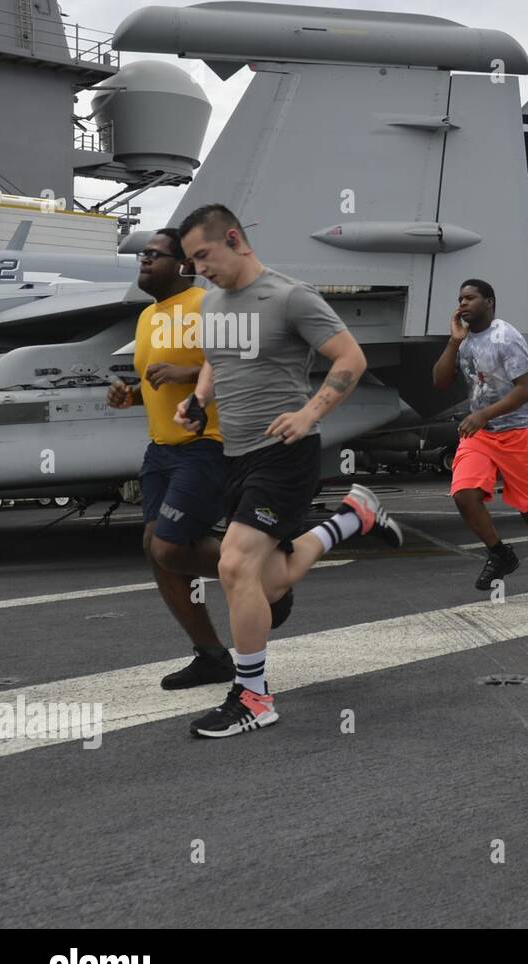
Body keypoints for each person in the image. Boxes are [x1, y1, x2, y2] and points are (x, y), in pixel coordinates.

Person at [176, 204, 403, 738]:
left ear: (234, 239)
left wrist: (309, 412)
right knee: (268, 582)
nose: (198, 268)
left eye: (203, 255)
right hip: (235, 455)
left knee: (233, 567)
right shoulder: (211, 304)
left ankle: (253, 698)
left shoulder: (289, 296)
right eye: (190, 261)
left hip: (284, 452)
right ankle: (353, 517)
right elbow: (216, 358)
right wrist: (199, 399)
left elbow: (350, 359)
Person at [106, 228, 246, 690]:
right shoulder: (148, 316)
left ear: (183, 264)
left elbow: (243, 366)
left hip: (205, 444)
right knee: (156, 551)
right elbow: (158, 383)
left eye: (154, 255)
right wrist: (131, 396)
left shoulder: (210, 305)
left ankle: (265, 570)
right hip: (160, 450)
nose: (144, 260)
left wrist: (188, 372)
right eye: (142, 254)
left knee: (168, 545)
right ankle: (210, 655)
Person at [433, 280, 528, 596]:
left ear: (489, 302)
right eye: (460, 298)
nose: (463, 303)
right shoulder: (464, 342)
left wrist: (483, 414)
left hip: (518, 431)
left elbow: (527, 388)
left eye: (470, 298)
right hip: (482, 435)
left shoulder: (506, 338)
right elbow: (440, 382)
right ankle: (501, 554)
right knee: (464, 494)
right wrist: (453, 342)